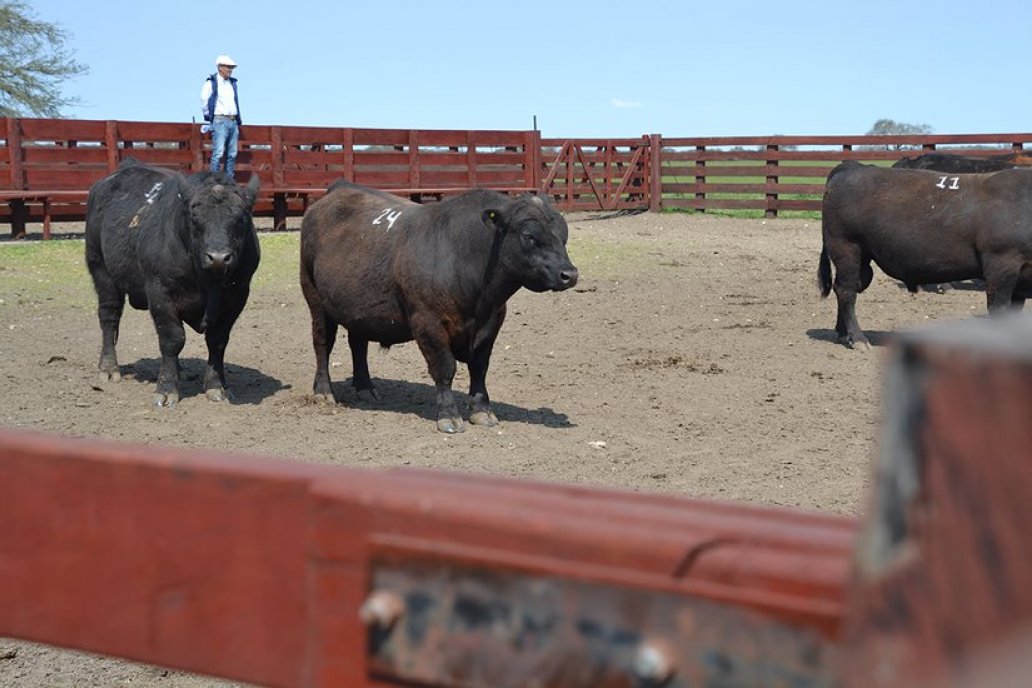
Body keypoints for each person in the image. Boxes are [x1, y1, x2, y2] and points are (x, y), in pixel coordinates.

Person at [200, 55, 242, 180]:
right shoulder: (212, 82)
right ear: (220, 68)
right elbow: (204, 98)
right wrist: (209, 116)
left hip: (233, 120)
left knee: (232, 153)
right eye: (228, 67)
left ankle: (229, 179)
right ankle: (215, 179)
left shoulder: (232, 83)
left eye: (231, 67)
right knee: (218, 152)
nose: (230, 70)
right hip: (220, 119)